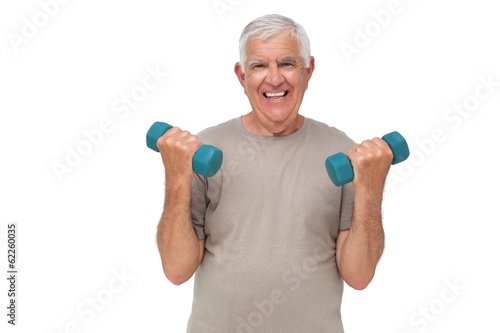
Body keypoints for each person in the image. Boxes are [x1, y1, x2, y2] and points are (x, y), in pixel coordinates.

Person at [155, 14, 393, 332]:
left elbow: (359, 276)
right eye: (259, 66)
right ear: (242, 77)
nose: (274, 78)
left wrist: (370, 187)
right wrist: (177, 176)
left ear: (308, 72)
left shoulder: (344, 154)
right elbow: (176, 270)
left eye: (287, 63)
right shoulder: (204, 150)